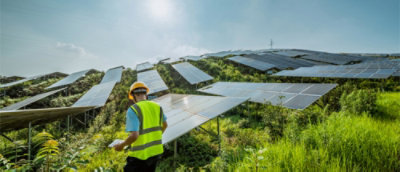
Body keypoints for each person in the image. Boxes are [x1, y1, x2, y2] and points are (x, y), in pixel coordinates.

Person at [114, 81, 168, 172]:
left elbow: (134, 135)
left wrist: (121, 145)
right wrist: (153, 137)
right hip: (155, 153)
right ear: (146, 94)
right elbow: (165, 125)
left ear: (133, 96)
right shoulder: (157, 106)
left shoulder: (133, 109)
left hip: (139, 156)